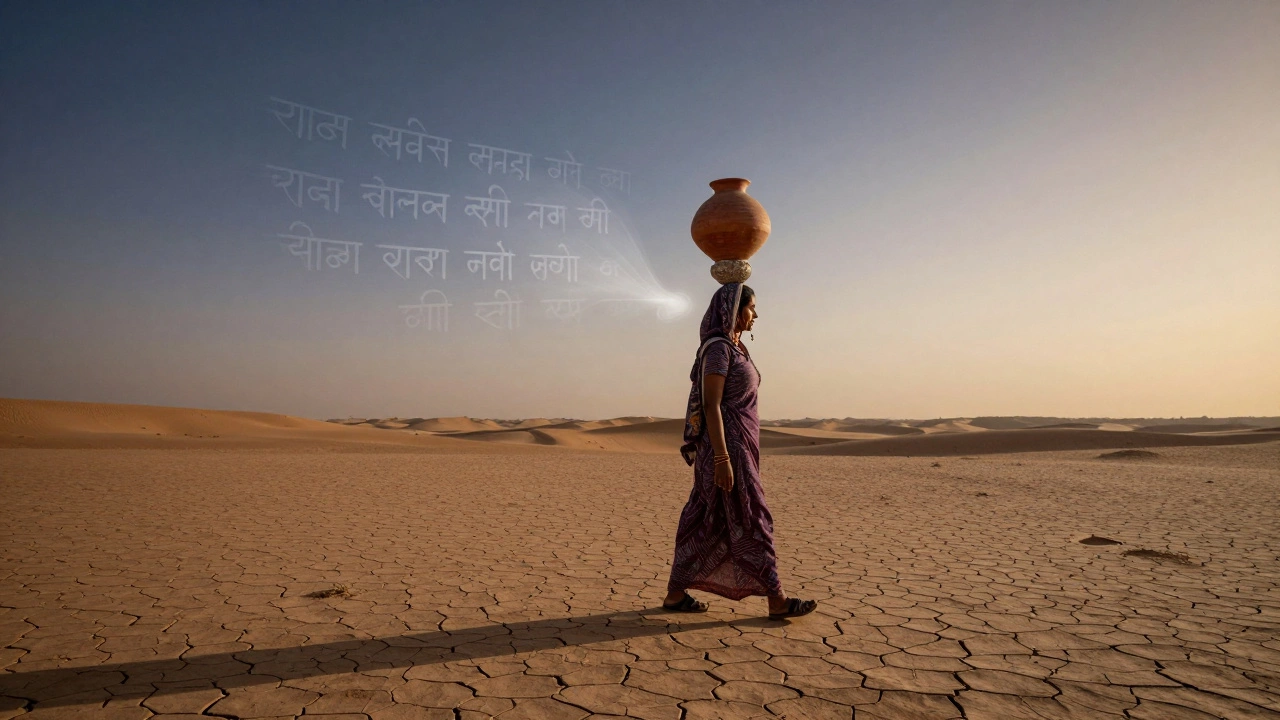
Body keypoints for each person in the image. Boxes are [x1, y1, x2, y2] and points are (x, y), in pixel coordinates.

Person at [664, 282, 818, 620]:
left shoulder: (736, 349)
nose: (756, 315)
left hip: (739, 449)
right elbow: (710, 404)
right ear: (734, 311)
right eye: (751, 308)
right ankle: (776, 600)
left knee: (706, 520)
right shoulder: (719, 350)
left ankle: (675, 594)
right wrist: (722, 458)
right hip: (727, 451)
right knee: (752, 517)